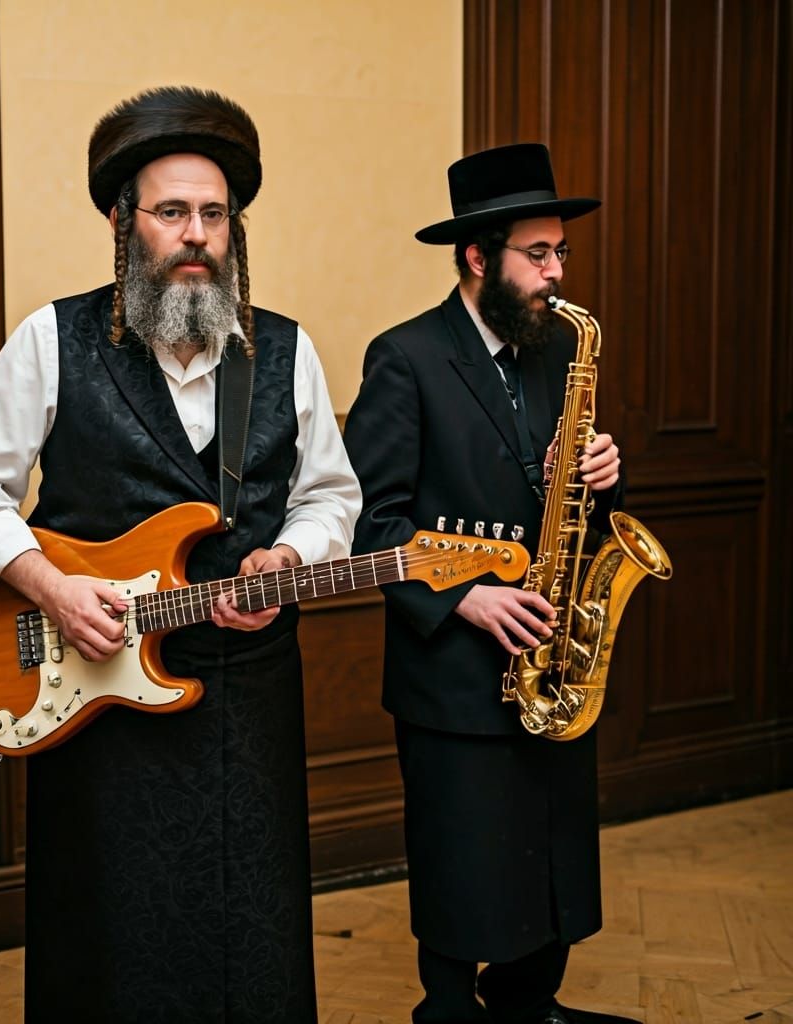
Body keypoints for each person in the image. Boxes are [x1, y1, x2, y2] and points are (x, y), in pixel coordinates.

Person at [0, 85, 360, 1023]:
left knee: (256, 926)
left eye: (214, 214)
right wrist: (53, 586)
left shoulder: (285, 351)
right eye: (172, 213)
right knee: (112, 936)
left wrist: (290, 557)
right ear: (126, 226)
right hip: (98, 696)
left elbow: (332, 497)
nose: (196, 233)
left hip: (248, 692)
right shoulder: (52, 339)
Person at [342, 143, 632, 1024]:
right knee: (460, 854)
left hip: (551, 654)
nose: (556, 272)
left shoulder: (554, 353)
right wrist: (463, 595)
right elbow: (369, 519)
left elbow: (567, 503)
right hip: (455, 666)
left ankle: (529, 1003)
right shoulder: (405, 358)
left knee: (548, 847)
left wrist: (608, 474)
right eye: (536, 254)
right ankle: (450, 1012)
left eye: (561, 254)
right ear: (477, 257)